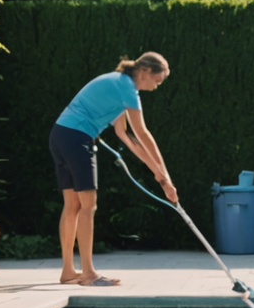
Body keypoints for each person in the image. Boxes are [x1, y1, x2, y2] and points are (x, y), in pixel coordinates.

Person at [49, 53, 176, 285]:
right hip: (77, 137)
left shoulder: (118, 84)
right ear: (145, 71)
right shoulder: (127, 87)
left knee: (73, 204)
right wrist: (165, 177)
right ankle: (88, 274)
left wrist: (160, 176)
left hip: (60, 134)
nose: (156, 87)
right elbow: (143, 134)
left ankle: (68, 271)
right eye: (157, 81)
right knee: (88, 205)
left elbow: (126, 136)